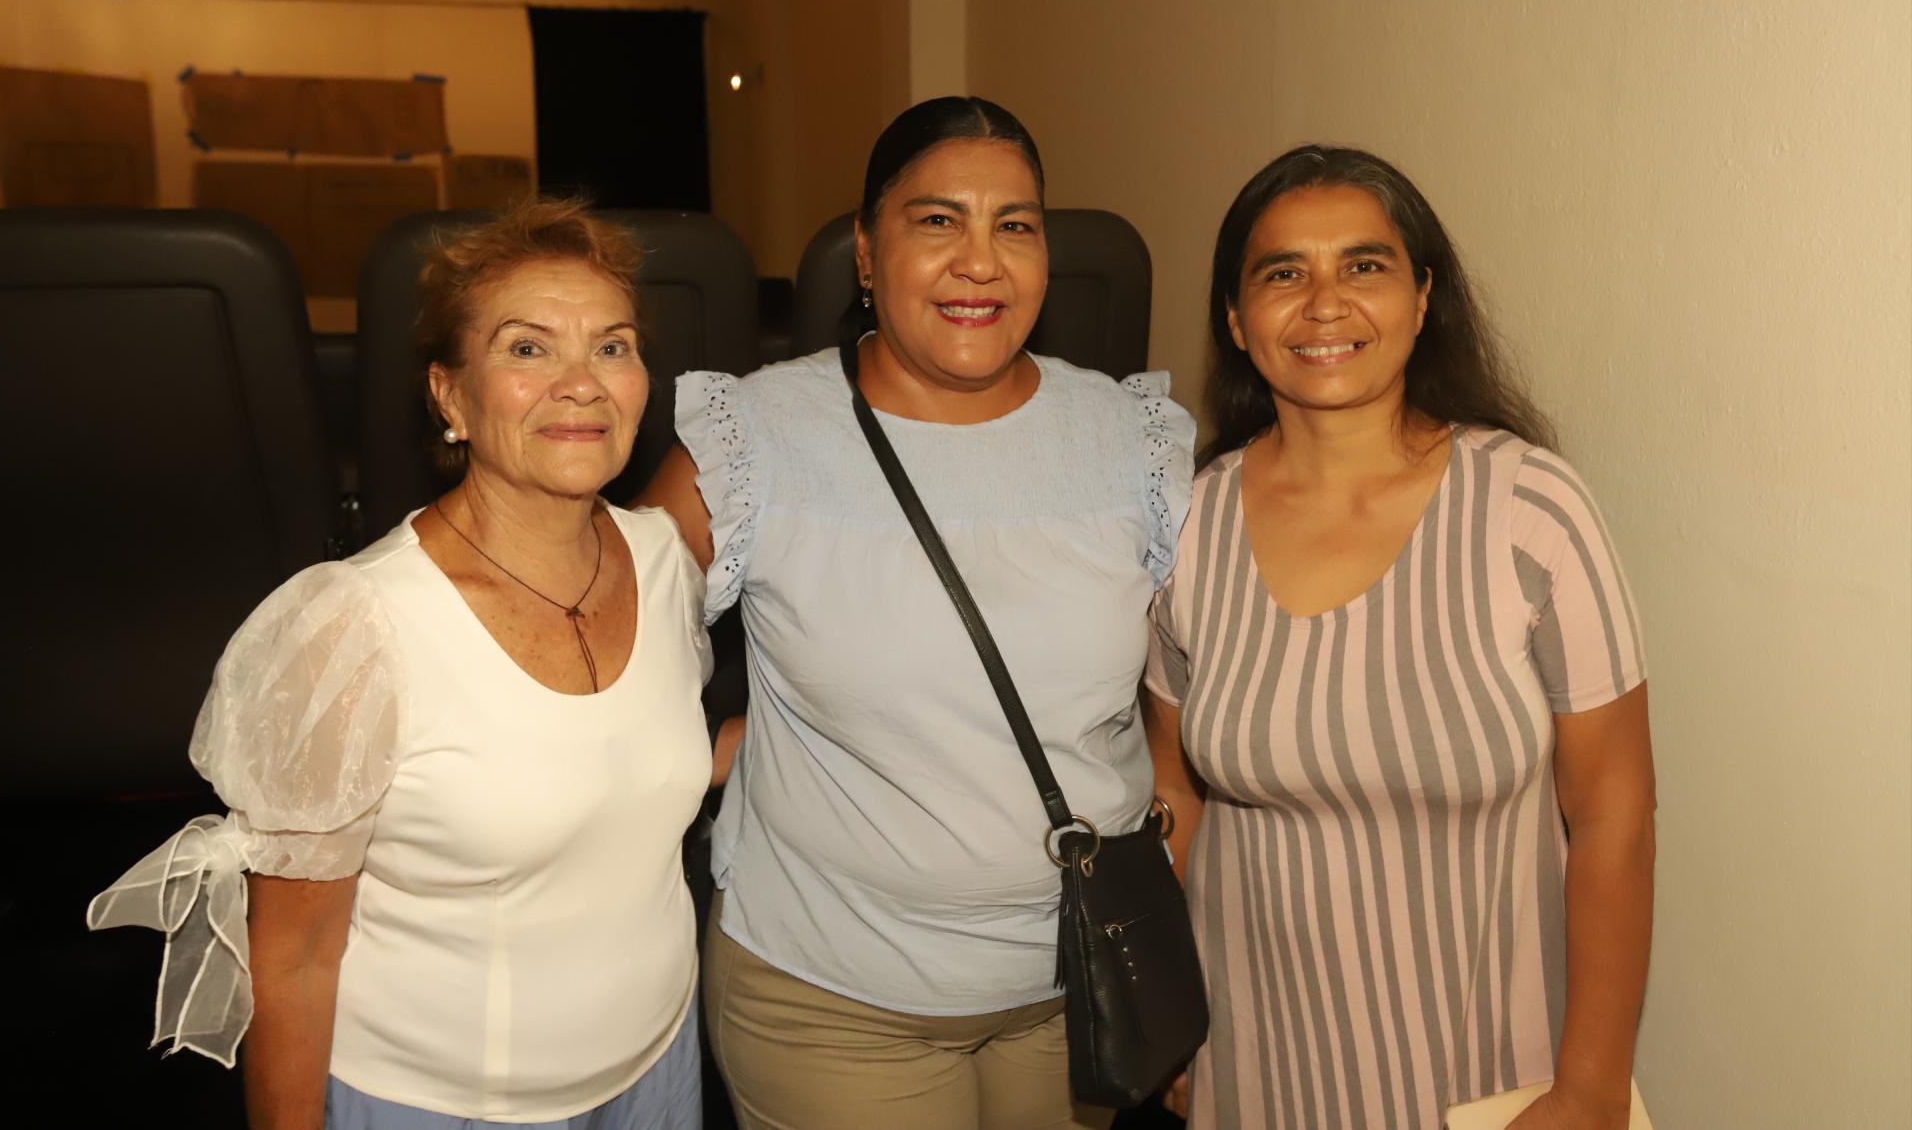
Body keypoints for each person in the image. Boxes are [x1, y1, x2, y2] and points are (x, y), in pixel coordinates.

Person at [89, 199, 714, 1130]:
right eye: (528, 348)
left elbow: (621, 764)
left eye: (612, 346)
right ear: (450, 395)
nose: (582, 383)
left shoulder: (665, 563)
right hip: (440, 1103)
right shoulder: (353, 626)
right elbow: (294, 956)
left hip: (660, 1070)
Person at [641, 96, 1196, 1129]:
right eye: (936, 221)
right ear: (864, 251)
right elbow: (593, 637)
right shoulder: (756, 438)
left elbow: (1185, 696)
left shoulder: (1130, 442)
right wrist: (717, 746)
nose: (979, 260)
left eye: (1014, 225)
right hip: (831, 1000)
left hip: (1080, 985)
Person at [1144, 146, 1656, 1130]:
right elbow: (1174, 792)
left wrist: (1589, 1085)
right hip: (1253, 1070)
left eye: (1364, 266)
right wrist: (1168, 1022)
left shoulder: (1530, 508)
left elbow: (1613, 811)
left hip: (1493, 1081)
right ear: (1235, 319)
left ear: (1422, 300)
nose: (1324, 303)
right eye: (1282, 272)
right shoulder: (1184, 529)